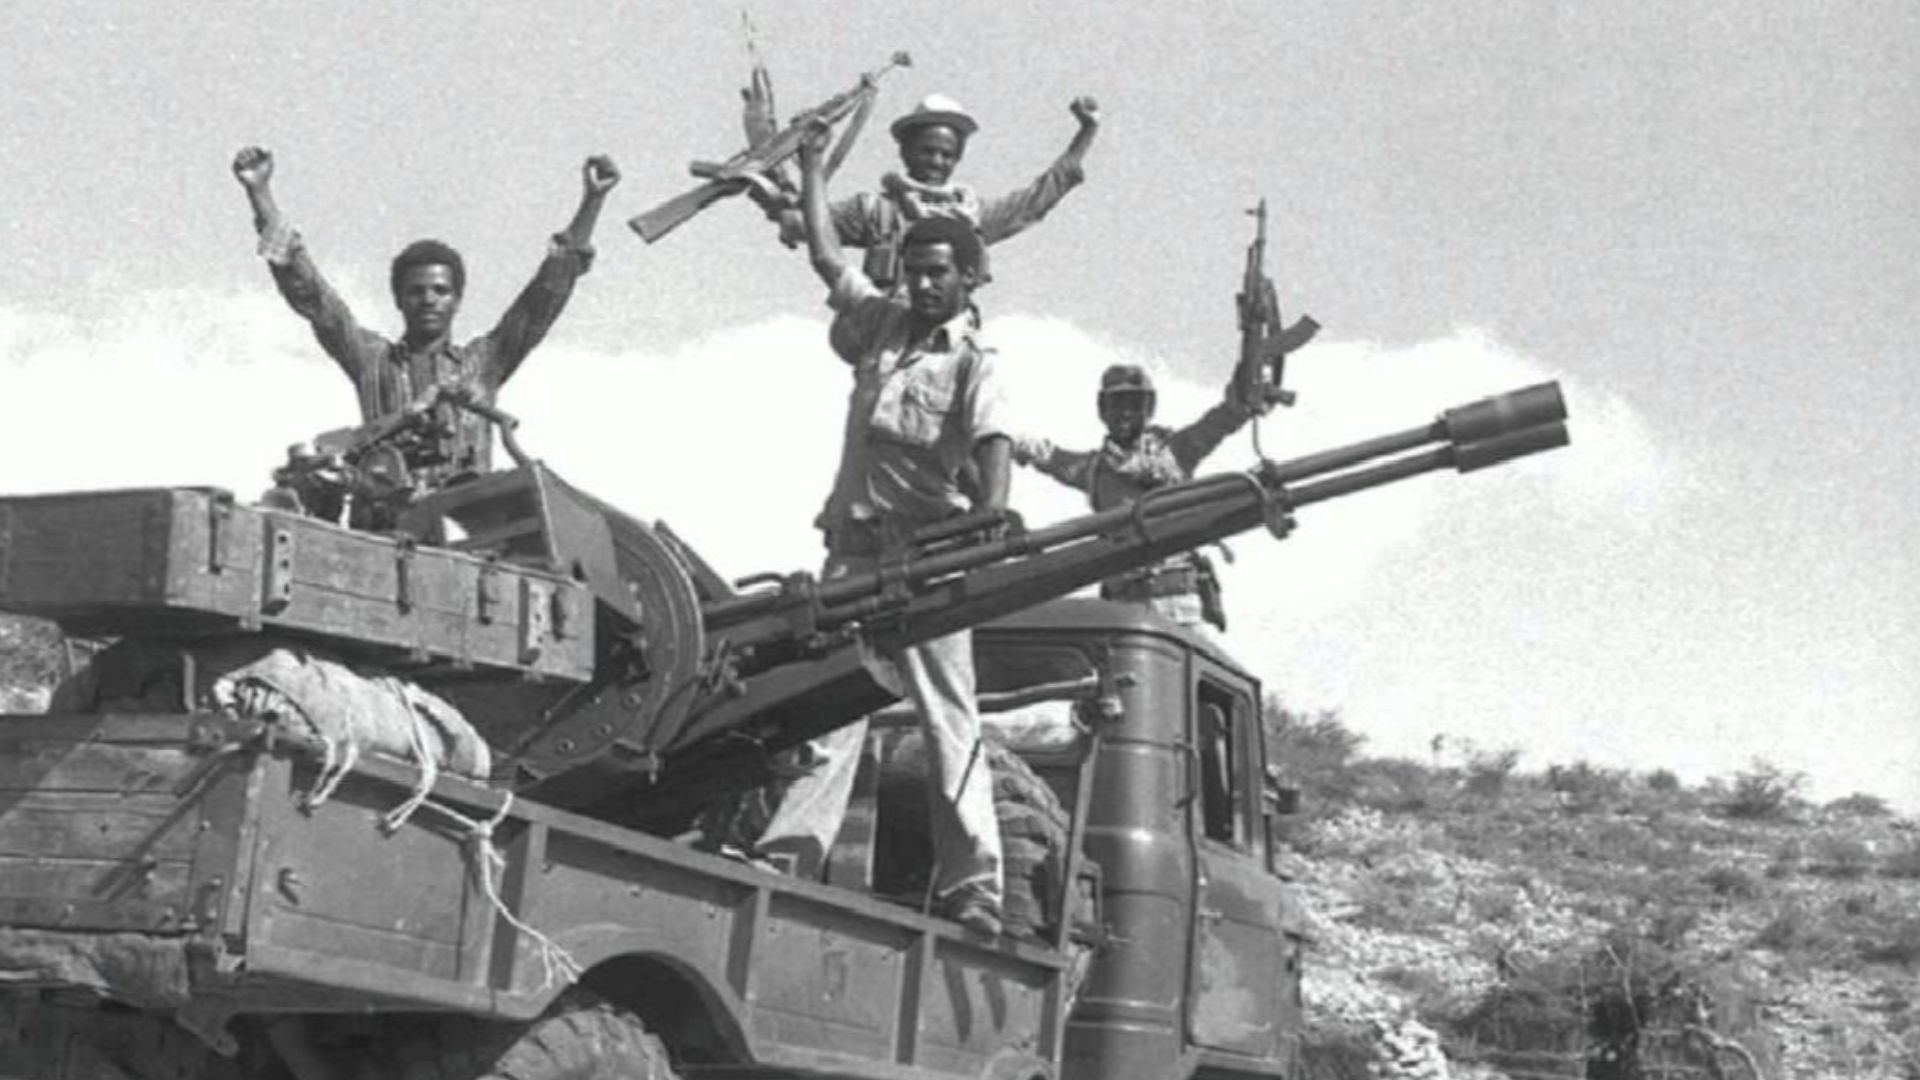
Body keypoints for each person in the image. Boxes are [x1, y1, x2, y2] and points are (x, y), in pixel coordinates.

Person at [751, 119, 1011, 937]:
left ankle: (976, 887)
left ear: (969, 279)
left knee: (948, 719)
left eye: (941, 274)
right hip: (854, 555)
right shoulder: (879, 327)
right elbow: (827, 255)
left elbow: (993, 441)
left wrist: (994, 517)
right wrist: (814, 168)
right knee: (832, 707)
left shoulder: (974, 359)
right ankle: (788, 858)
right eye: (916, 271)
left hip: (929, 558)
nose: (926, 285)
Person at [231, 145, 620, 494]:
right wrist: (260, 194)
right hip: (383, 531)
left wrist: (592, 202)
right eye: (416, 291)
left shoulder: (484, 363)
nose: (428, 300)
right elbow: (314, 298)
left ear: (457, 299)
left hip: (468, 535)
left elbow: (542, 301)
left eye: (440, 291)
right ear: (399, 300)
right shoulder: (372, 359)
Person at [1014, 364, 1275, 629]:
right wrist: (1004, 441)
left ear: (1148, 410)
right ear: (1103, 410)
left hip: (1177, 602)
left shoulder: (1177, 452)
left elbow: (1222, 420)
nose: (1125, 412)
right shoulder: (1093, 469)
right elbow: (1048, 455)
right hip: (1123, 607)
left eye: (1135, 404)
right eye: (1117, 403)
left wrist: (1249, 386)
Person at [772, 94, 1100, 291]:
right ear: (904, 152)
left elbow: (1035, 201)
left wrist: (1086, 133)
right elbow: (810, 229)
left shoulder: (972, 215)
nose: (937, 161)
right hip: (884, 337)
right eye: (926, 151)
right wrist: (788, 177)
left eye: (947, 155)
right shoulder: (874, 211)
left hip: (949, 347)